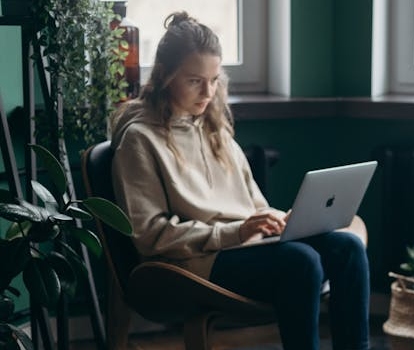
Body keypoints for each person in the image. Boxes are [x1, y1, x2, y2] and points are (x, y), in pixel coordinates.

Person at [109, 12, 370, 350]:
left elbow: (252, 206)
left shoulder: (214, 130)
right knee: (300, 262)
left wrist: (279, 221)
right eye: (194, 81)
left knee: (347, 248)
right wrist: (239, 230)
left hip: (244, 246)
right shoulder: (139, 140)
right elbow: (152, 237)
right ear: (164, 76)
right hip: (192, 263)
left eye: (214, 79)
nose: (208, 92)